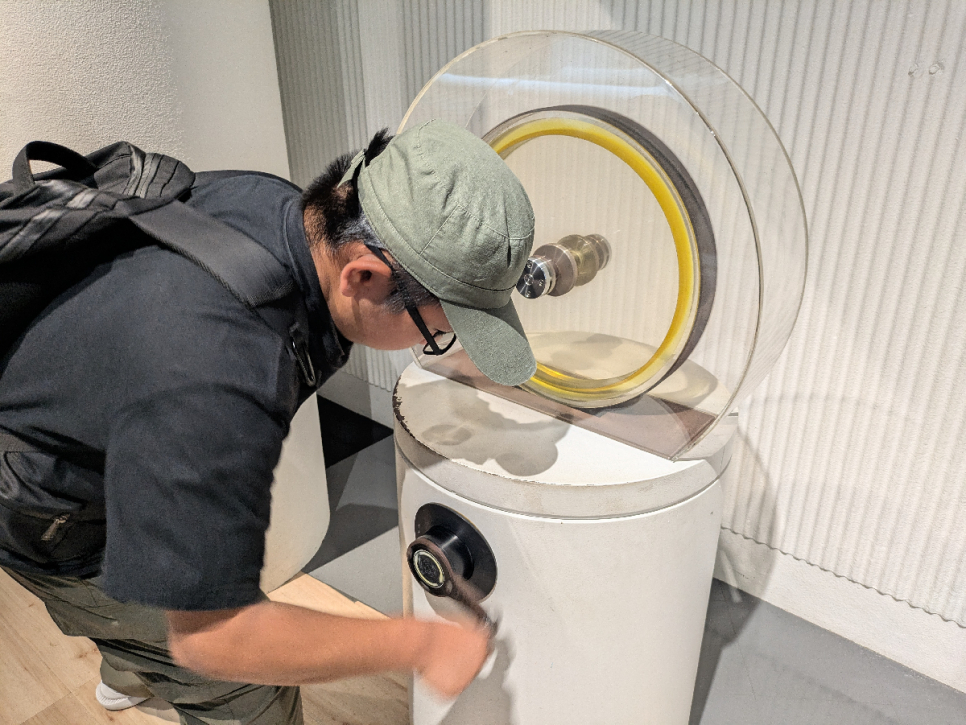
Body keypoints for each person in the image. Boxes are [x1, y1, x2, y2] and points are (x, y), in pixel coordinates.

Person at [0, 120, 536, 724]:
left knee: (153, 596)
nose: (435, 340)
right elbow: (213, 638)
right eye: (438, 330)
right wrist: (421, 645)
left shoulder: (277, 209)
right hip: (47, 504)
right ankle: (138, 653)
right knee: (246, 693)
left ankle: (131, 664)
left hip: (84, 403)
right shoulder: (214, 371)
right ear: (363, 276)